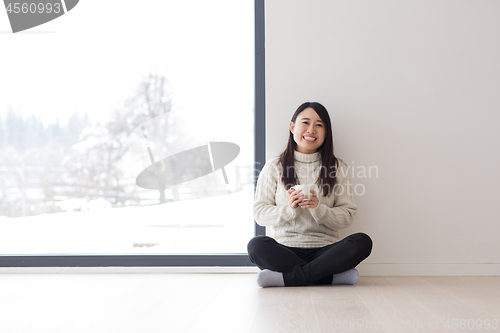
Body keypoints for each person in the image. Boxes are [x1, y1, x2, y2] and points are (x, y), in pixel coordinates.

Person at [247, 102, 372, 287]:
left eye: (319, 125)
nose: (311, 130)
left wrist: (318, 209)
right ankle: (329, 277)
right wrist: (289, 209)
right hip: (285, 248)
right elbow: (260, 213)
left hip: (325, 250)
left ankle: (287, 278)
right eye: (305, 122)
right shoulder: (274, 167)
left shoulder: (337, 168)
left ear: (326, 132)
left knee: (362, 242)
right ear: (292, 127)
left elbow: (347, 216)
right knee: (256, 245)